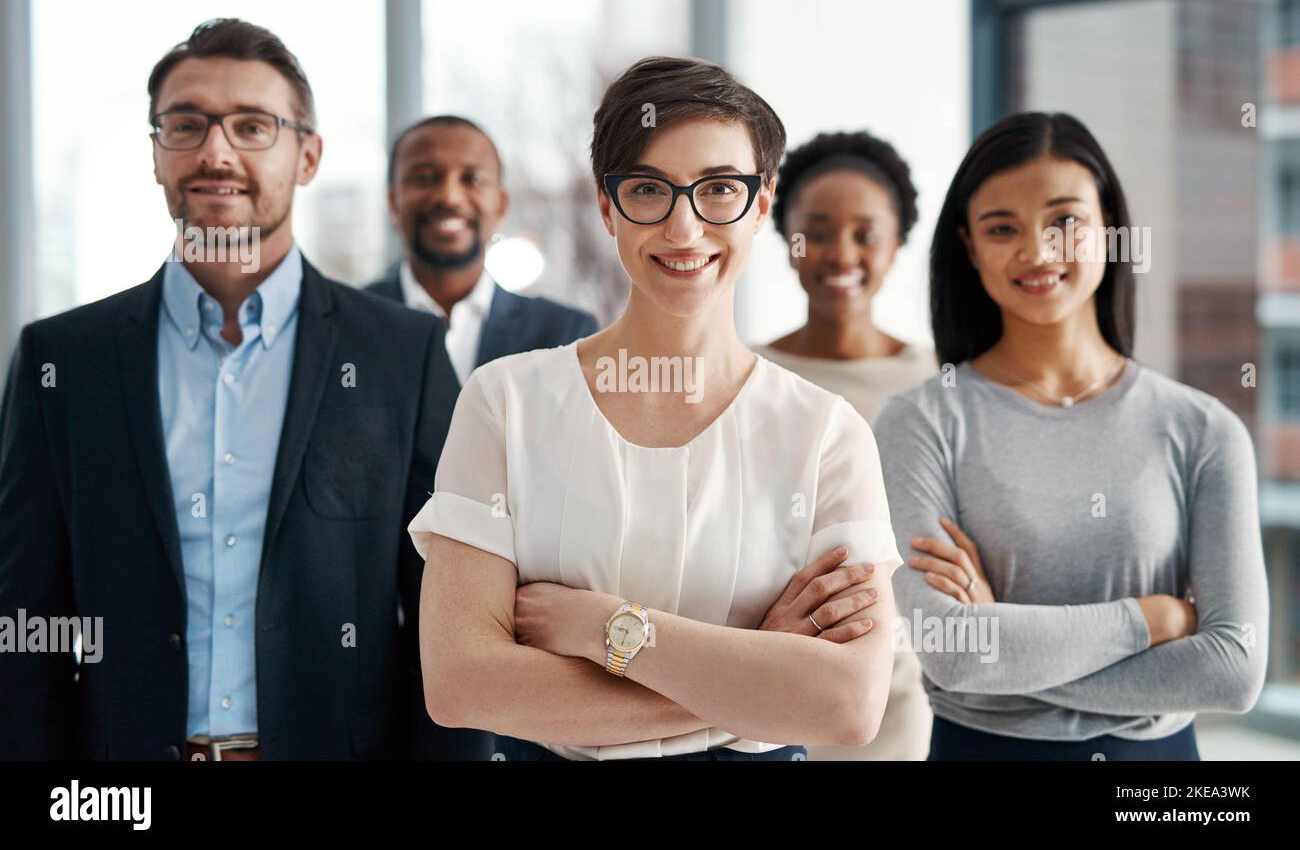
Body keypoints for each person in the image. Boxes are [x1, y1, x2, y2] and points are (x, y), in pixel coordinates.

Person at [408, 56, 903, 761]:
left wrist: (605, 626)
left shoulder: (826, 435)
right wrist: (758, 670)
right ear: (607, 206)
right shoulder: (504, 402)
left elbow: (849, 704)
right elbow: (461, 685)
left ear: (761, 206)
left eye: (719, 190)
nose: (683, 226)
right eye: (648, 189)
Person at [0, 18, 461, 760]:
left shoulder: (402, 354)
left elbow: (453, 623)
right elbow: (26, 623)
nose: (216, 151)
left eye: (252, 125)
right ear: (156, 154)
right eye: (186, 124)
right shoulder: (62, 360)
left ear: (307, 155)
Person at [873, 111, 1269, 760]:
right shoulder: (919, 421)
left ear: (1109, 228)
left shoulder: (1203, 430)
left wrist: (1007, 648)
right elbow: (952, 653)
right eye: (1003, 228)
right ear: (970, 246)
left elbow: (1232, 670)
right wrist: (1153, 619)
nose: (1037, 251)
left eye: (1065, 220)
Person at [755, 130, 934, 760]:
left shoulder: (940, 381)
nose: (841, 253)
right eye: (819, 230)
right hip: (762, 673)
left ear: (899, 243)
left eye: (866, 232)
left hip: (898, 689)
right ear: (786, 239)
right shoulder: (742, 375)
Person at [367, 115, 597, 383]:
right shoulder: (345, 325)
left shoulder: (565, 336)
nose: (449, 197)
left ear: (501, 205)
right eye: (424, 178)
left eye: (472, 179)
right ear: (394, 202)